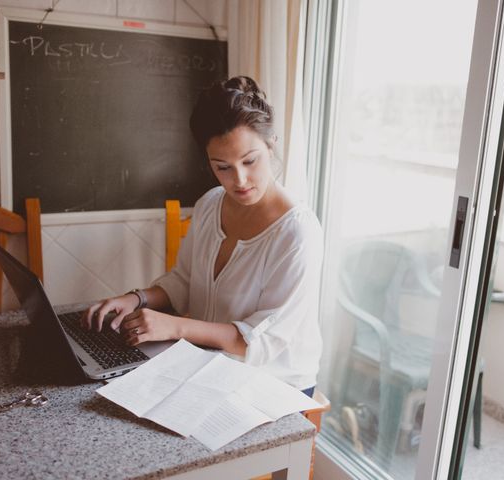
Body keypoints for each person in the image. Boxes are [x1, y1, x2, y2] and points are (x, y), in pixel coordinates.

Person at [82, 76, 323, 395]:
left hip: (274, 385)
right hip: (209, 367)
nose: (240, 180)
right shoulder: (210, 204)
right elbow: (184, 280)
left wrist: (175, 326)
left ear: (272, 143)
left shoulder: (297, 232)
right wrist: (135, 298)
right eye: (222, 167)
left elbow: (259, 341)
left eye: (250, 161)